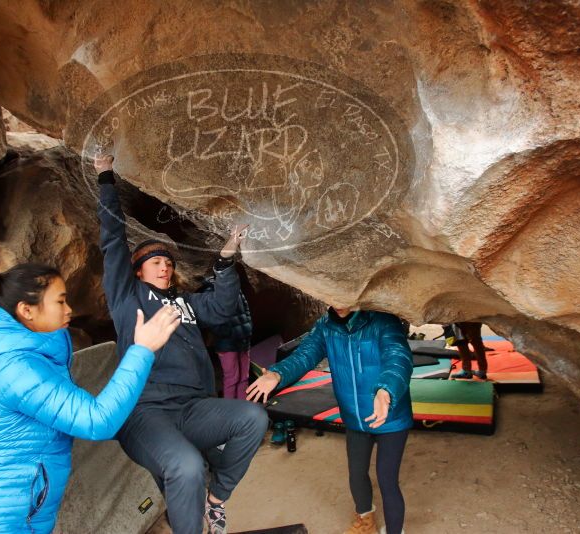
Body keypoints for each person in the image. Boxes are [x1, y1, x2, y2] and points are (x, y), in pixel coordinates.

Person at [94, 154, 268, 534]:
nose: (164, 266)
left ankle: (215, 502)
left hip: (192, 407)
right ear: (138, 272)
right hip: (146, 410)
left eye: (168, 262)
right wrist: (105, 178)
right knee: (186, 467)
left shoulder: (185, 303)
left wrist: (224, 263)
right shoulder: (128, 297)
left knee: (253, 418)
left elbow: (222, 309)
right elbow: (112, 241)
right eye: (154, 261)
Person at [0, 263, 181, 533]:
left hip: (19, 518)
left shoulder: (35, 354)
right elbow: (95, 420)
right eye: (60, 301)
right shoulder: (17, 369)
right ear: (26, 310)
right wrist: (142, 350)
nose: (69, 310)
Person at [247, 306, 413, 534]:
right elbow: (304, 355)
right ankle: (365, 521)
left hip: (391, 416)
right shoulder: (326, 326)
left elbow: (398, 358)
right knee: (356, 473)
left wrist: (386, 391)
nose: (338, 302)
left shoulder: (383, 321)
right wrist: (277, 374)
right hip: (355, 418)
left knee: (387, 479)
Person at [197, 274, 253, 399]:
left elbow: (246, 309)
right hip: (226, 342)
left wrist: (248, 328)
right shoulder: (209, 291)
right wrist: (225, 333)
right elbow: (211, 319)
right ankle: (230, 410)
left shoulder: (236, 288)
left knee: (244, 376)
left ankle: (242, 406)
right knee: (232, 377)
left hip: (243, 338)